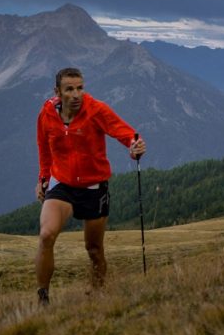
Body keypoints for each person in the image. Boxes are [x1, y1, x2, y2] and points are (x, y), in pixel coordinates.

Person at [34, 67, 146, 306]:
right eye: (70, 89)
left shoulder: (95, 109)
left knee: (94, 249)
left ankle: (98, 294)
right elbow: (44, 147)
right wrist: (43, 178)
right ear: (58, 92)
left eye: (80, 88)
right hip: (61, 183)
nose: (76, 94)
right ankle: (42, 298)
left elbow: (126, 133)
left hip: (94, 186)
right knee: (46, 235)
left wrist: (135, 145)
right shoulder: (47, 113)